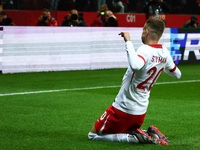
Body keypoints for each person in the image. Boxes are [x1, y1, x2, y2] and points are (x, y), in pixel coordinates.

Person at [88, 17, 181, 145]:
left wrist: (128, 41)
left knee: (92, 135)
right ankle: (147, 133)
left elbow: (136, 65)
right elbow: (177, 74)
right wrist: (161, 63)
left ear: (147, 32)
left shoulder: (144, 49)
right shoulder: (164, 52)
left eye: (143, 29)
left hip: (123, 109)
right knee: (121, 131)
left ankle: (134, 138)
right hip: (140, 112)